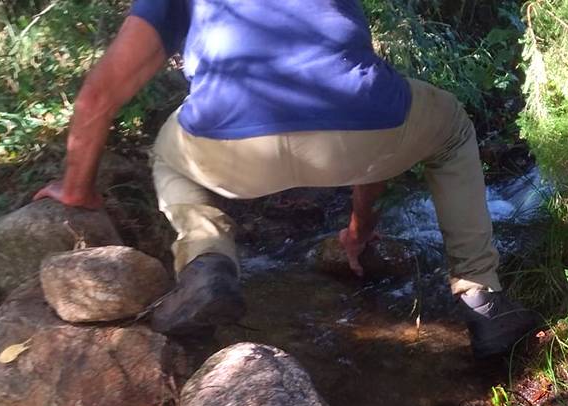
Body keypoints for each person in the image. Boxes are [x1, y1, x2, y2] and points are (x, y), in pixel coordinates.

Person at [35, 0, 538, 359]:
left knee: (168, 156)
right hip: (358, 129)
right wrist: (360, 228)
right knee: (450, 127)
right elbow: (356, 107)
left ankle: (207, 262)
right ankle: (482, 297)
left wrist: (76, 189)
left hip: (228, 146)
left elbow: (99, 97)